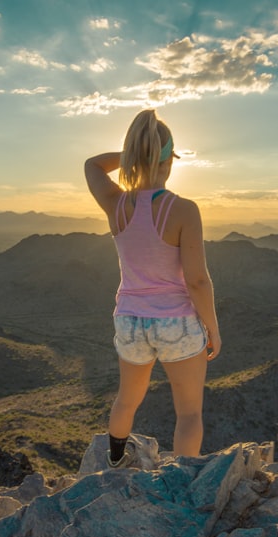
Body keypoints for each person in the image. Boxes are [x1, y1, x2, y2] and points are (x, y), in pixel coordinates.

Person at [84, 109, 221, 467]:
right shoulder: (184, 210)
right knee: (189, 412)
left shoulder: (115, 204)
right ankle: (182, 482)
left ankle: (114, 463)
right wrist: (213, 328)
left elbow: (92, 165)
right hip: (176, 322)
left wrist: (133, 151)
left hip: (129, 319)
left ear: (135, 156)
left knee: (126, 400)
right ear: (169, 161)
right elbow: (197, 280)